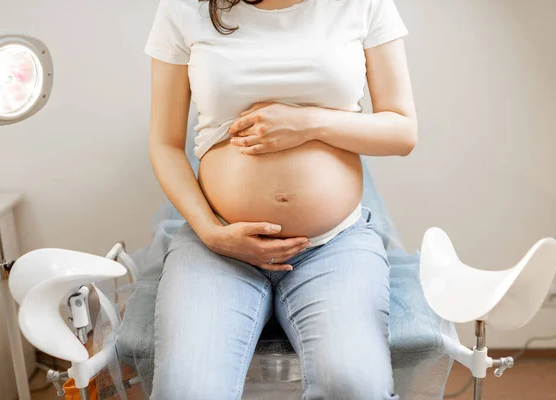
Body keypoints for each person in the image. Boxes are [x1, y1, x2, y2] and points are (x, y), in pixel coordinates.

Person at [146, 0, 416, 398]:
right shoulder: (185, 7)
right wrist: (210, 232)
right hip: (218, 243)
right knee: (187, 391)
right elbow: (164, 144)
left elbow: (402, 131)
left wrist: (309, 122)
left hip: (332, 244)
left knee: (355, 386)